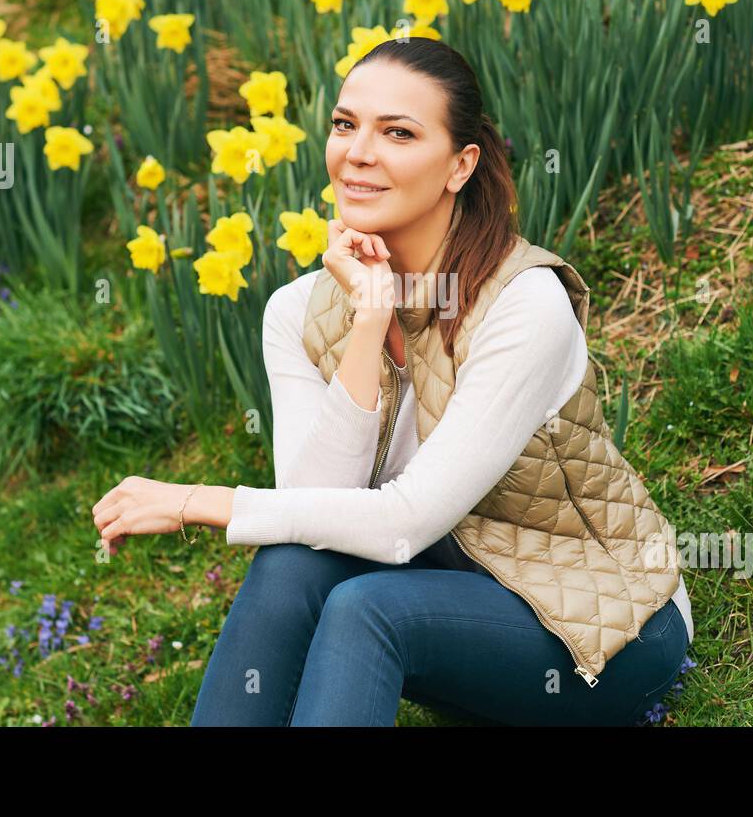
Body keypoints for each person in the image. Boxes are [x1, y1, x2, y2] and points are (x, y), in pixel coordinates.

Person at [92, 36, 693, 726]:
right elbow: (312, 511)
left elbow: (407, 524)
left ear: (460, 165)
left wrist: (200, 500)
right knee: (292, 567)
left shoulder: (525, 305)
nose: (358, 152)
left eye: (399, 133)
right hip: (452, 596)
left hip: (601, 624)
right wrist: (370, 319)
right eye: (345, 125)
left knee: (367, 608)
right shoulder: (297, 311)